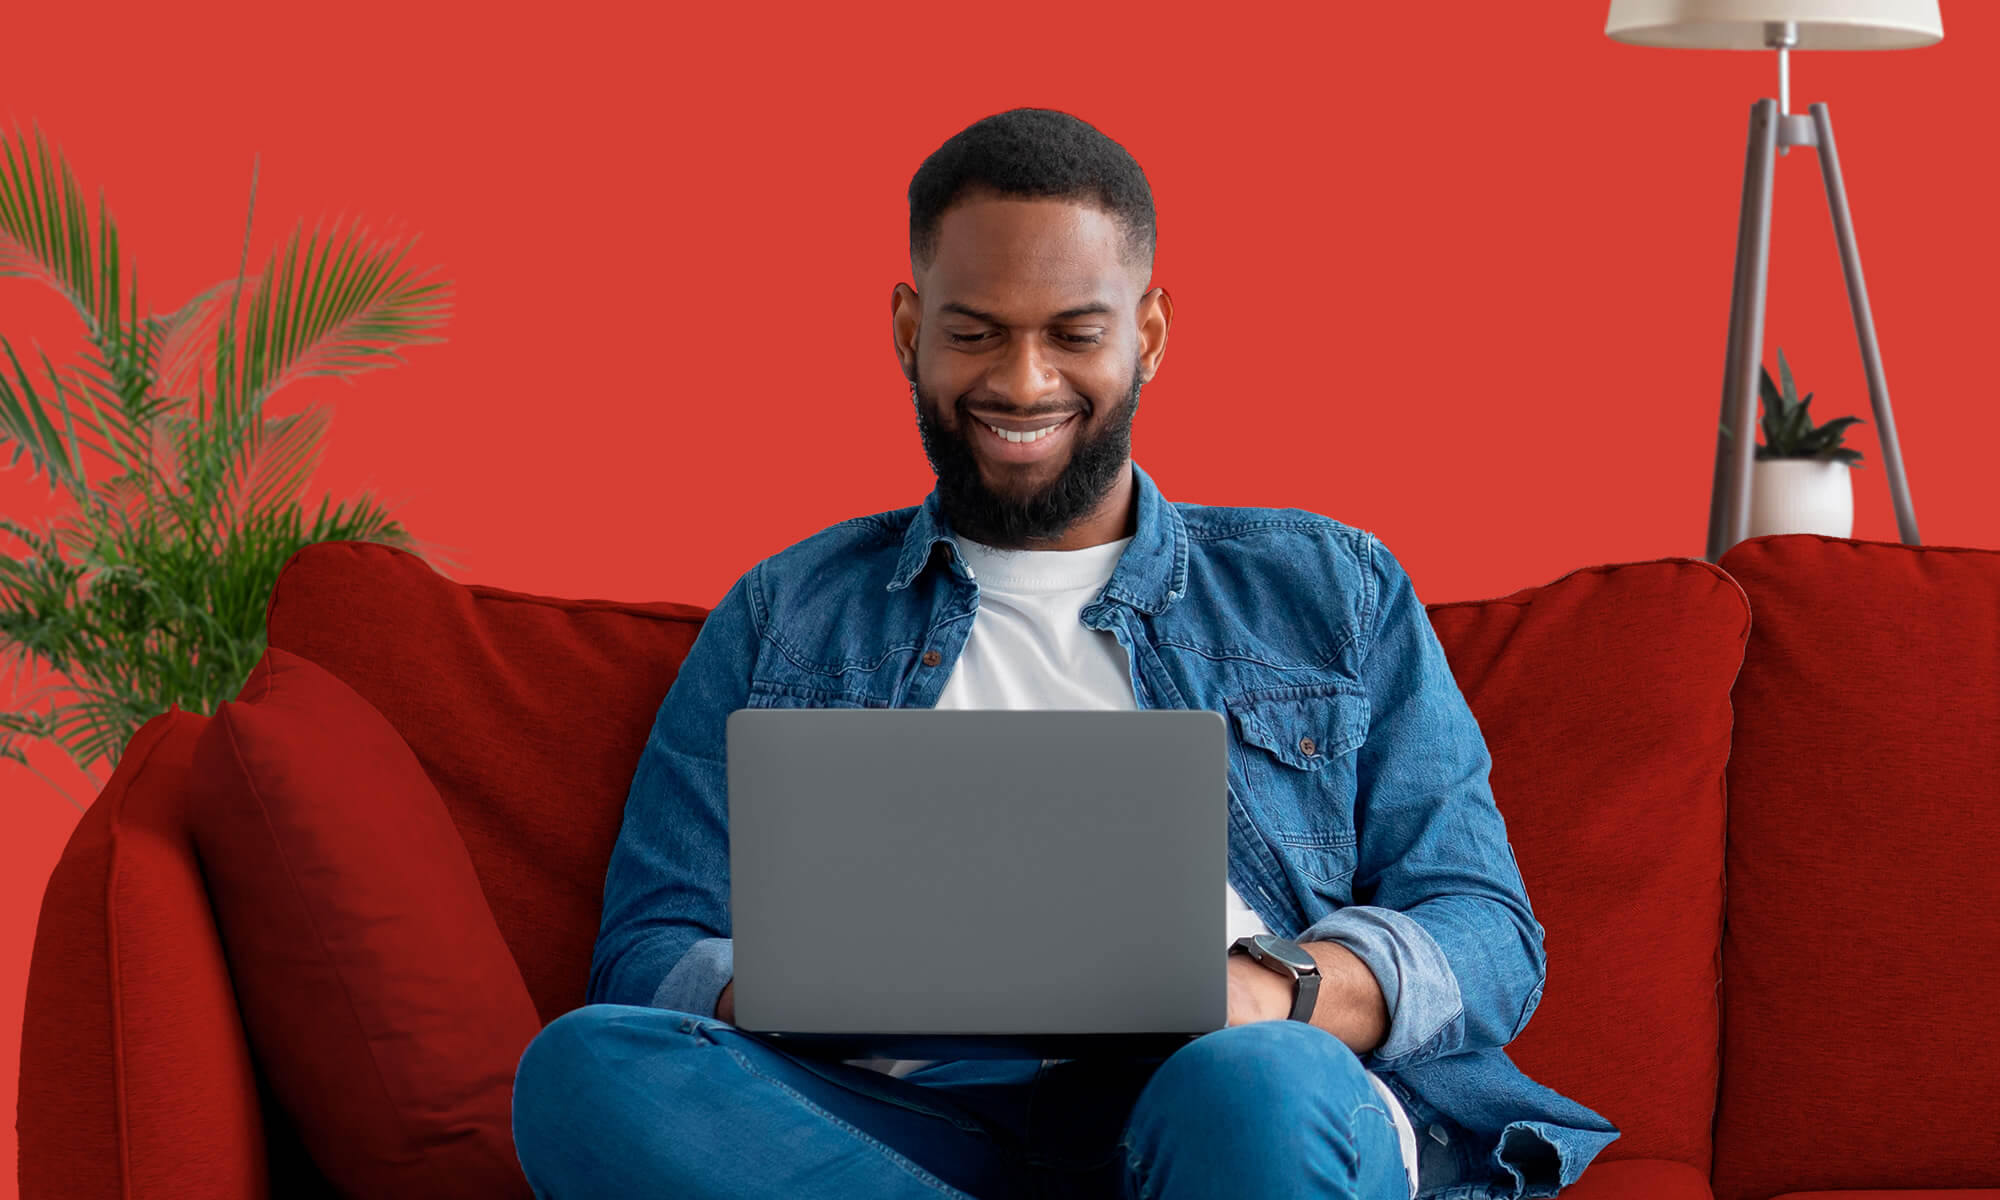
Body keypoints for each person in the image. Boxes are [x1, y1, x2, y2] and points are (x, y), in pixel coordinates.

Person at [510, 107, 1619, 1200]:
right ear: (908, 330)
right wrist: (809, 985)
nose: (1024, 384)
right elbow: (652, 947)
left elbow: (1485, 931)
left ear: (1146, 334)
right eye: (974, 331)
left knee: (1257, 1088)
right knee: (585, 1069)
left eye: (1073, 335)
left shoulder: (1331, 588)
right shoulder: (784, 612)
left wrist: (1265, 989)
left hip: (1229, 1105)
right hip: (908, 1126)